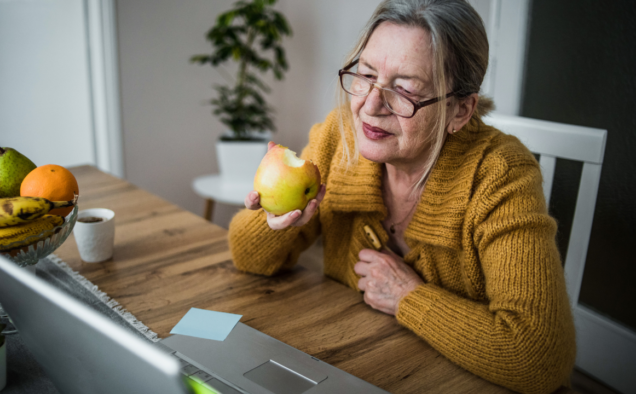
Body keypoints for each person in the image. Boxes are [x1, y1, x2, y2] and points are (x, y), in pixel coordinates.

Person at [227, 1, 575, 393]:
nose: (370, 106)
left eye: (405, 90)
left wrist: (408, 297)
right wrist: (279, 223)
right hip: (355, 369)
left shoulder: (500, 175)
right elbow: (247, 256)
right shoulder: (338, 137)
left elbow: (538, 357)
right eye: (366, 75)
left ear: (461, 110)